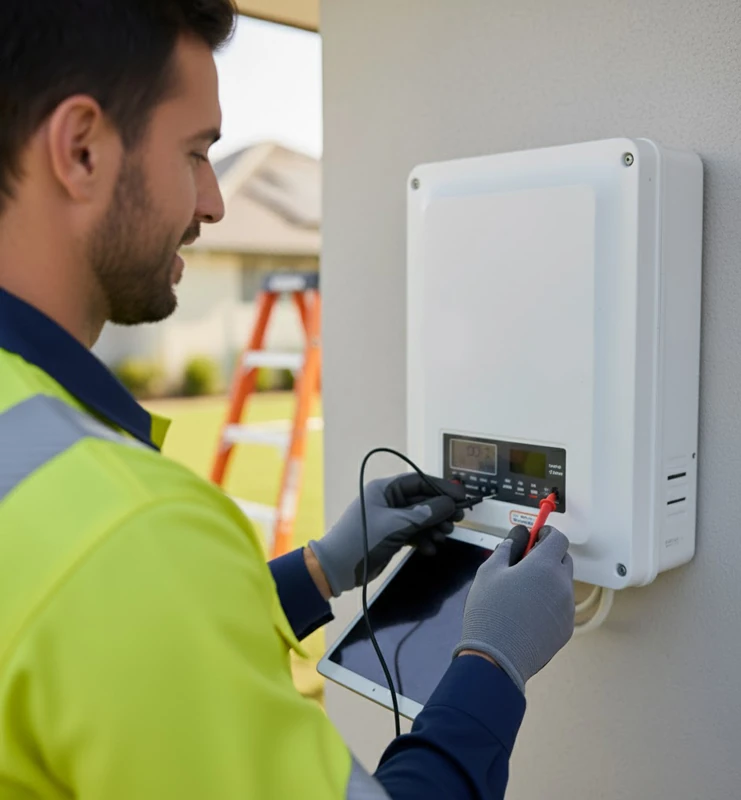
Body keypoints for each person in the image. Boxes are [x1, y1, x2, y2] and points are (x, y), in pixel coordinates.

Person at [0, 1, 576, 797]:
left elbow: (113, 649)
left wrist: (318, 569)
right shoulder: (127, 530)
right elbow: (119, 590)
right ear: (82, 149)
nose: (214, 201)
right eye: (197, 153)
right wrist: (490, 666)